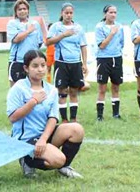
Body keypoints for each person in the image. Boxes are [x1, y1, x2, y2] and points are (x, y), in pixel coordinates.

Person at [6, 50, 84, 179]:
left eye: (43, 65)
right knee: (58, 159)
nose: (40, 69)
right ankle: (26, 159)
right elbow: (13, 117)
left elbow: (53, 118)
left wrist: (43, 139)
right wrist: (33, 102)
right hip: (26, 139)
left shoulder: (51, 90)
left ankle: (64, 167)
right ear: (26, 68)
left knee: (77, 129)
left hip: (43, 136)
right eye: (35, 66)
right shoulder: (18, 88)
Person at [46, 3, 88, 123]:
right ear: (62, 13)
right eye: (66, 13)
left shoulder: (78, 28)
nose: (69, 15)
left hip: (76, 63)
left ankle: (73, 118)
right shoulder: (56, 27)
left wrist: (84, 63)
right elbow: (48, 42)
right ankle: (64, 119)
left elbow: (83, 46)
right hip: (61, 63)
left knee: (74, 91)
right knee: (62, 91)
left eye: (71, 13)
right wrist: (63, 35)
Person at [94, 4, 125, 120]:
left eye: (115, 12)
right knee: (102, 88)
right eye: (111, 12)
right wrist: (111, 33)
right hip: (103, 59)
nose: (113, 15)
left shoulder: (120, 27)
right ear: (105, 14)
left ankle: (116, 114)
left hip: (116, 58)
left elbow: (122, 43)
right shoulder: (99, 27)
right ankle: (100, 115)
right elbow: (102, 45)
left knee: (116, 87)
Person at [6, 0, 45, 86]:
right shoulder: (12, 23)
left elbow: (39, 42)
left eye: (24, 9)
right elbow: (16, 39)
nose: (22, 11)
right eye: (20, 9)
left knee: (33, 87)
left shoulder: (35, 24)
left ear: (28, 10)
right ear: (16, 11)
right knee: (16, 89)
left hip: (32, 61)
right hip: (17, 61)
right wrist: (28, 31)